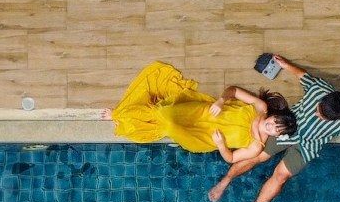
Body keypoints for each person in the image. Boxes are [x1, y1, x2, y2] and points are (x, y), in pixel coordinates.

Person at [207, 53, 340, 202]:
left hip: (308, 146)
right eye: (318, 109)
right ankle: (226, 181)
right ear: (324, 98)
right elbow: (302, 75)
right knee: (257, 156)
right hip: (287, 127)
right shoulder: (319, 89)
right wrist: (285, 65)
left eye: (322, 117)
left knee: (280, 176)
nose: (317, 114)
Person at [111, 61, 296, 155]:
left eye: (275, 129)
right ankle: (121, 114)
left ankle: (119, 115)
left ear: (277, 136)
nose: (270, 126)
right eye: (273, 122)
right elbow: (233, 90)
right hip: (204, 112)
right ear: (273, 115)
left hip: (204, 139)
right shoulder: (260, 107)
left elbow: (231, 159)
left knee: (168, 125)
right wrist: (221, 101)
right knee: (164, 112)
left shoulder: (256, 147)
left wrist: (221, 146)